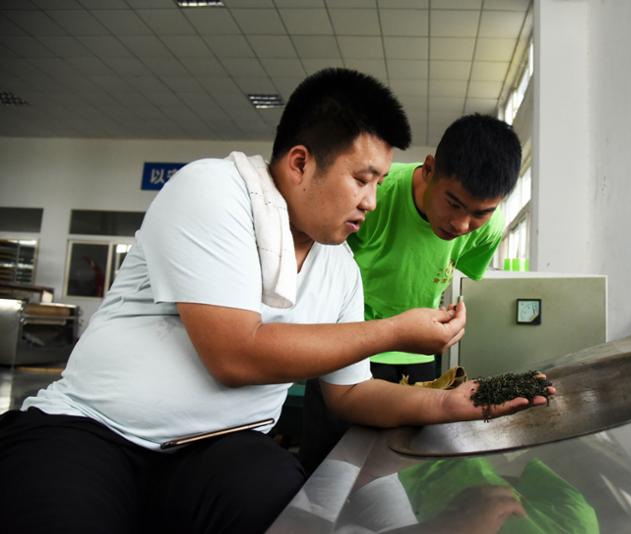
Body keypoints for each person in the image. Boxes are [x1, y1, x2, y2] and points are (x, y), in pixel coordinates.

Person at [0, 68, 549, 534]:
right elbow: (234, 354)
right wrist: (394, 330)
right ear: (300, 163)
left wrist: (450, 404)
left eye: (378, 183)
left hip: (221, 451)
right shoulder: (214, 190)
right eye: (362, 180)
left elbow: (351, 394)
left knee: (284, 505)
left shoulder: (339, 269)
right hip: (94, 431)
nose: (371, 201)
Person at [300, 114, 524, 473]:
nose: (461, 225)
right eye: (453, 204)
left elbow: (440, 271)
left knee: (407, 470)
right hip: (346, 346)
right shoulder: (374, 197)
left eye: (480, 213)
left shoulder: (489, 227)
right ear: (430, 169)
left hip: (419, 353)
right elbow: (326, 276)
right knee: (328, 467)